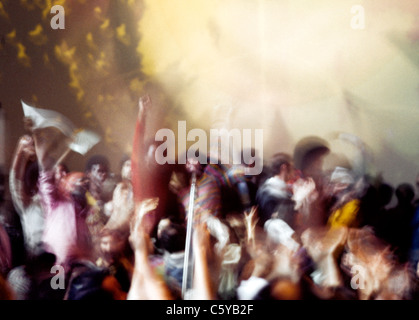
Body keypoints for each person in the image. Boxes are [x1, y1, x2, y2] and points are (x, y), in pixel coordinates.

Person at [256, 153, 297, 227]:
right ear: (284, 168)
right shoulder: (267, 192)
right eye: (292, 168)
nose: (294, 172)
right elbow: (277, 222)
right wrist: (299, 200)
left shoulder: (282, 188)